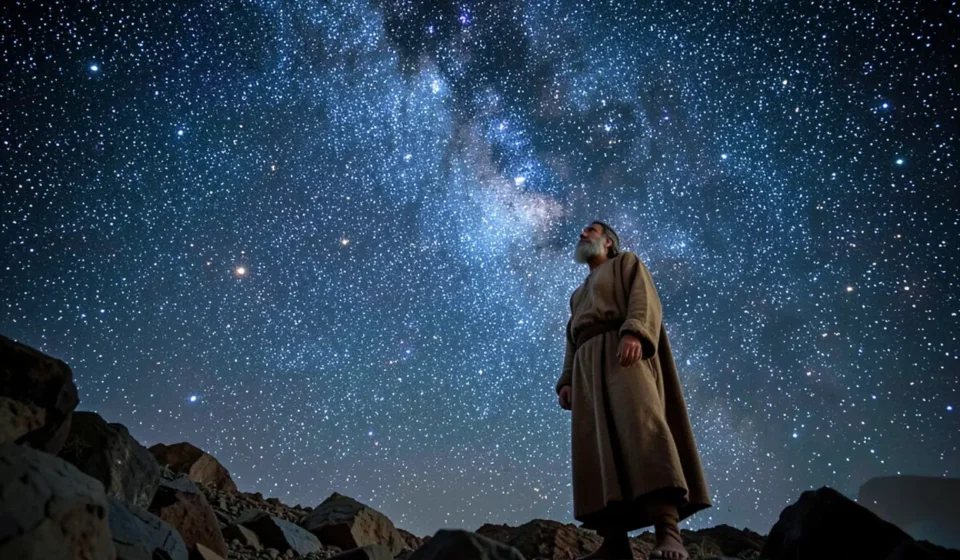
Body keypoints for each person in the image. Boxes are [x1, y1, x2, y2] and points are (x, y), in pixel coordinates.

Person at [556, 221, 712, 560]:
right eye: (583, 231)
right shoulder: (577, 294)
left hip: (622, 353)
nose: (583, 234)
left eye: (591, 230)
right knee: (597, 449)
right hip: (586, 369)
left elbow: (644, 299)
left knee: (642, 430)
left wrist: (635, 332)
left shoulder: (627, 264)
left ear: (609, 242)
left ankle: (668, 533)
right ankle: (614, 542)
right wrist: (567, 379)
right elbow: (572, 339)